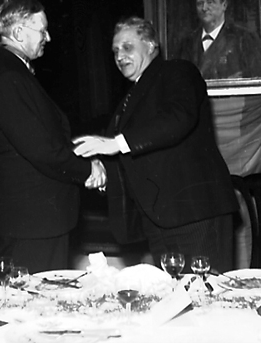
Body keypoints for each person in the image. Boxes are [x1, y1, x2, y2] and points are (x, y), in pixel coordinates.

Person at [73, 16, 239, 272]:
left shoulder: (178, 71)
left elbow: (178, 118)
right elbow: (132, 155)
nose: (119, 56)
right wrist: (103, 173)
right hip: (160, 221)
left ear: (151, 45)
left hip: (195, 215)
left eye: (127, 47)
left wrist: (115, 143)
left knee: (206, 299)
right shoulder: (130, 98)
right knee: (175, 301)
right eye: (115, 51)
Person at [0, 0, 106, 273]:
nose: (48, 36)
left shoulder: (13, 71)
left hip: (36, 220)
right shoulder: (6, 77)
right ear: (19, 32)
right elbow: (41, 150)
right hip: (32, 223)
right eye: (42, 30)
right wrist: (87, 170)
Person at [177, 0, 261, 79]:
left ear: (224, 5)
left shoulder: (243, 37)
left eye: (210, 2)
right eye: (200, 4)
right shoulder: (187, 43)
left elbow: (255, 77)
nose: (204, 8)